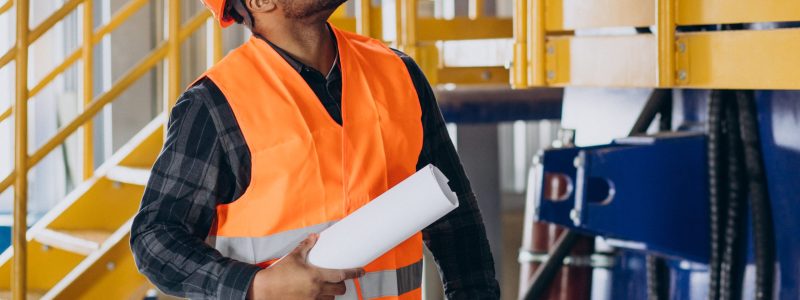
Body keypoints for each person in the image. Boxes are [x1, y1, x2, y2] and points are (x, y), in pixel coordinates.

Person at [130, 0, 500, 299]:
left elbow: (457, 220)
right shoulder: (215, 104)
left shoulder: (398, 72)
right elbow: (155, 237)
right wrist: (255, 286)